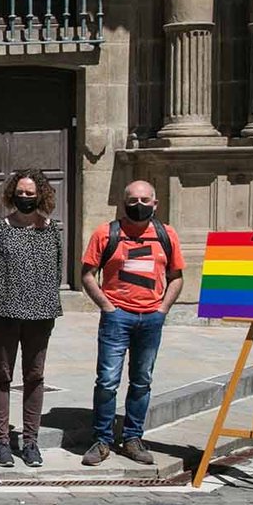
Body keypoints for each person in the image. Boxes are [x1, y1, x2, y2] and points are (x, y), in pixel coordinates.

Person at [80, 180, 184, 467]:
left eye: (145, 200)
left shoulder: (166, 234)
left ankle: (132, 438)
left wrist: (163, 309)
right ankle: (102, 440)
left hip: (151, 318)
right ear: (123, 203)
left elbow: (177, 277)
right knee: (107, 381)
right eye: (133, 200)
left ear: (155, 203)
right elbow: (87, 274)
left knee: (142, 381)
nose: (139, 205)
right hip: (117, 318)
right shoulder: (106, 233)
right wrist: (107, 306)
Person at [0, 170, 64, 469]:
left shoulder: (52, 230)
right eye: (20, 193)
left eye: (31, 193)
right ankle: (1, 442)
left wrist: (44, 297)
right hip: (3, 313)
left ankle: (30, 441)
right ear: (12, 194)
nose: (25, 198)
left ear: (42, 195)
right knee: (2, 376)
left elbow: (57, 269)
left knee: (34, 377)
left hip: (41, 314)